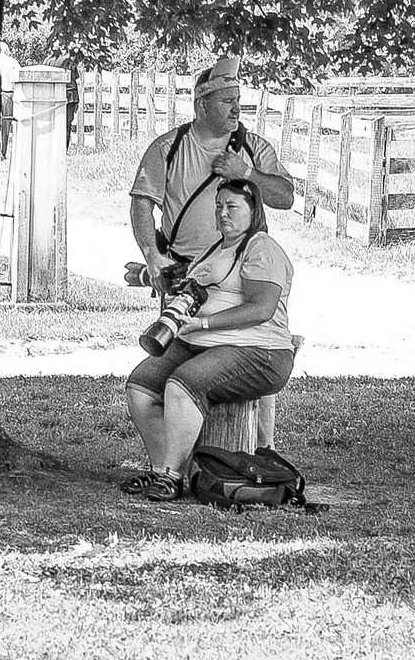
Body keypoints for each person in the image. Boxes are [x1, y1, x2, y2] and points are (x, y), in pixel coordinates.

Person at [128, 55, 294, 444]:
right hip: (185, 279)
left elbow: (285, 197)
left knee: (246, 354)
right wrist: (153, 257)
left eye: (238, 99)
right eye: (226, 100)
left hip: (243, 277)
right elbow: (141, 204)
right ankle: (183, 457)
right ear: (202, 104)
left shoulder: (253, 148)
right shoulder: (169, 147)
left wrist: (247, 173)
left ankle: (258, 451)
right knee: (180, 363)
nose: (237, 108)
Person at [121, 178, 296, 501]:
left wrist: (203, 322)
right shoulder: (216, 247)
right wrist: (147, 275)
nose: (223, 214)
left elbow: (260, 308)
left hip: (260, 351)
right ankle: (161, 469)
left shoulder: (261, 247)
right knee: (140, 387)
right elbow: (187, 281)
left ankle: (172, 476)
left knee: (183, 384)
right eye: (218, 206)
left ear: (254, 209)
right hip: (203, 343)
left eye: (232, 206)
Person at [0, 42, 20, 160]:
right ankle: (3, 151)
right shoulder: (12, 62)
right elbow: (20, 75)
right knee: (6, 124)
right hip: (8, 94)